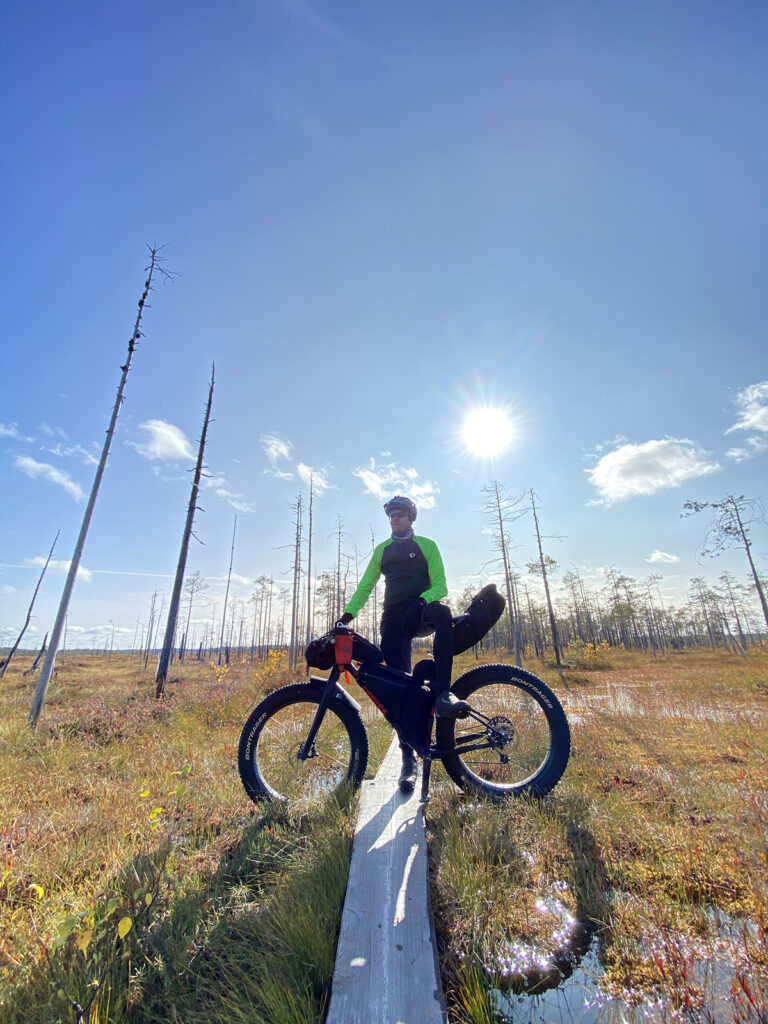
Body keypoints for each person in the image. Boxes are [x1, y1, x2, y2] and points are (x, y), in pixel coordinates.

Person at [339, 495, 469, 794]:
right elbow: (366, 586)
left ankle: (445, 694)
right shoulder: (382, 551)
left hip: (419, 610)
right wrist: (347, 616)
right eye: (391, 514)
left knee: (444, 611)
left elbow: (441, 585)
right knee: (400, 691)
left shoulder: (427, 545)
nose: (394, 518)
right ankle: (408, 760)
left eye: (400, 513)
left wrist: (424, 599)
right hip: (392, 620)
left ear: (411, 517)